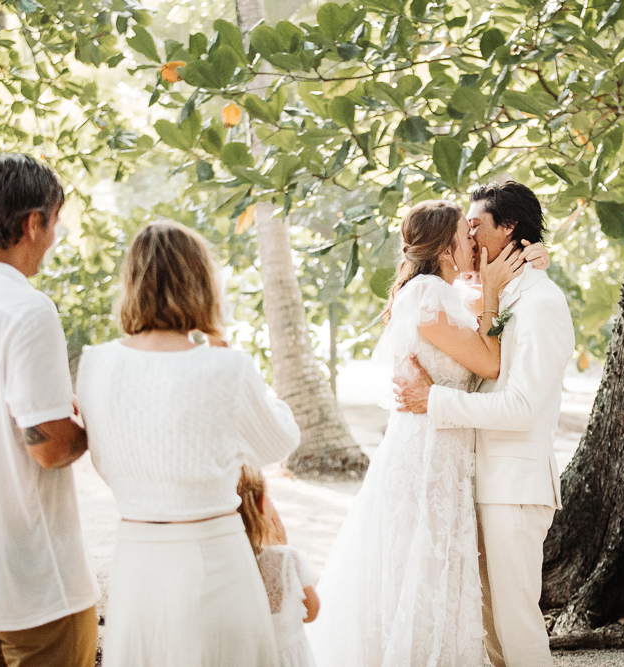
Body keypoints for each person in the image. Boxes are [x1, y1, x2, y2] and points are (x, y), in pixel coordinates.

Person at [307, 199, 535, 666]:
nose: (474, 241)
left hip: (444, 445)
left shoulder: (441, 293)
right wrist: (490, 292)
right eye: (466, 234)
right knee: (421, 565)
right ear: (448, 248)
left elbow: (475, 351)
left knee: (433, 565)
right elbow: (489, 361)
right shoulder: (427, 294)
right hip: (426, 451)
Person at [75, 221, 301, 667]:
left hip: (136, 561)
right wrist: (233, 363)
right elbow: (278, 443)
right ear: (201, 282)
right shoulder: (225, 369)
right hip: (213, 561)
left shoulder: (95, 365)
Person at [394, 182, 575, 667]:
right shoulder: (497, 295)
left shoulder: (540, 302)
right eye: (464, 231)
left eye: (476, 227)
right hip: (477, 480)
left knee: (516, 625)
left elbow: (520, 408)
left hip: (514, 486)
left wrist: (435, 400)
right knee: (488, 627)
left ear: (508, 227)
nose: (469, 240)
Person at [0, 154, 100, 667]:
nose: (54, 238)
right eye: (54, 222)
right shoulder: (26, 309)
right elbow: (50, 448)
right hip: (34, 585)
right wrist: (91, 418)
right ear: (33, 222)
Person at [237, 466, 320, 667]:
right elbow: (311, 612)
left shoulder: (229, 566)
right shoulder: (286, 560)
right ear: (263, 502)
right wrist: (280, 547)